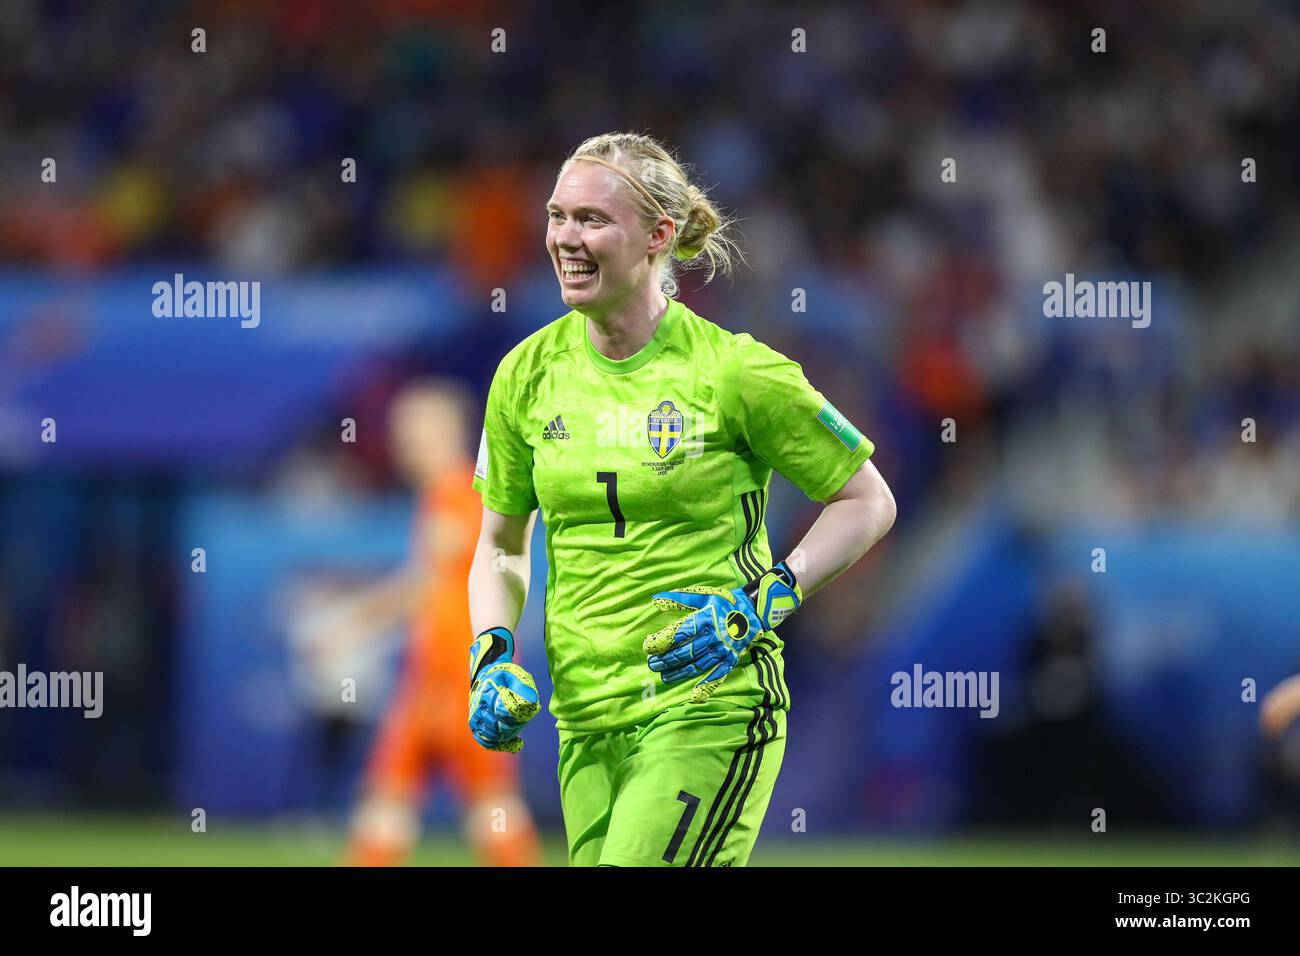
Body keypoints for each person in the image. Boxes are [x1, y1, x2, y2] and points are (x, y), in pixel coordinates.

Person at [467, 132, 896, 867]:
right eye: (557, 215)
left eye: (592, 220)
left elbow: (867, 500)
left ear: (659, 236)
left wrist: (766, 601)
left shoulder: (736, 372)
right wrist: (491, 650)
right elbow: (501, 544)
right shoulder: (524, 376)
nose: (566, 238)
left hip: (709, 704)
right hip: (585, 719)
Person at [344, 380, 541, 866]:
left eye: (413, 427)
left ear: (446, 430)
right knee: (388, 799)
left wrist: (356, 620)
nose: (401, 439)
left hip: (461, 676)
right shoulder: (441, 493)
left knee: (489, 806)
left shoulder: (463, 489)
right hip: (429, 677)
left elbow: (427, 585)